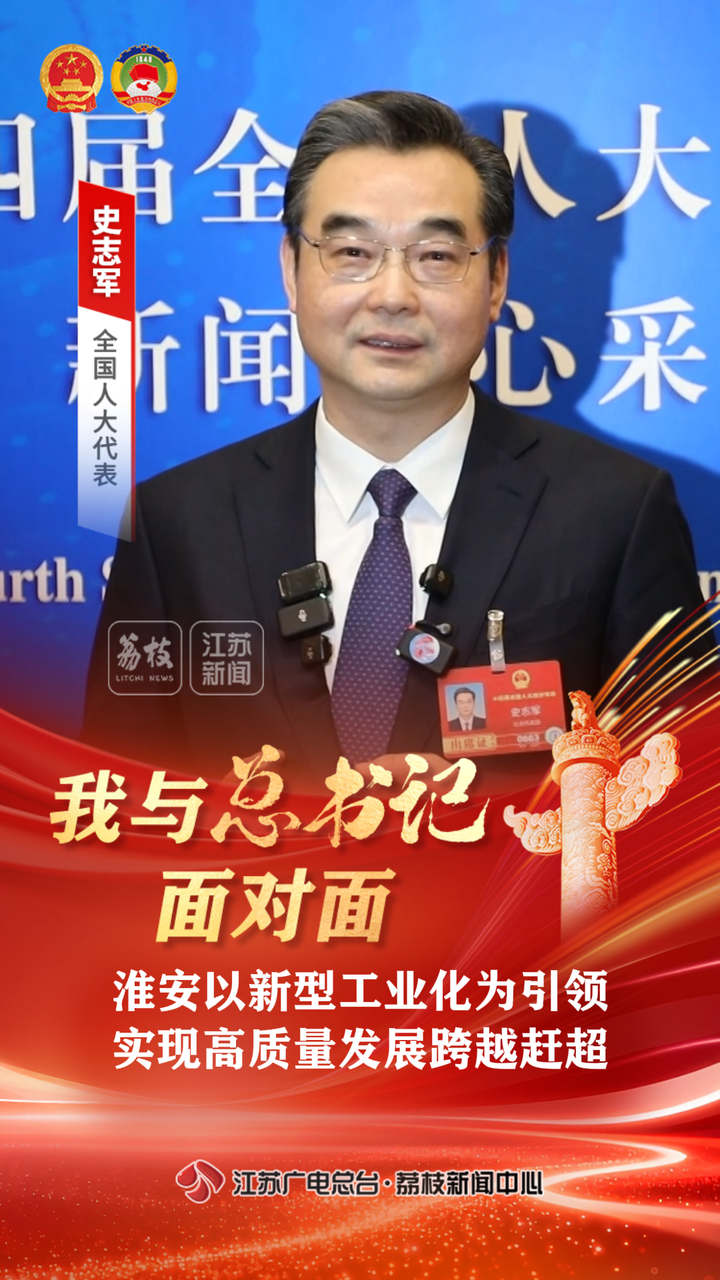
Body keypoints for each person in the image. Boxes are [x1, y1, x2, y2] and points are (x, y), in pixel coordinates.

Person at [83, 90, 707, 790]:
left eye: (436, 255)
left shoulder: (616, 512)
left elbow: (683, 798)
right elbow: (116, 799)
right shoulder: (175, 523)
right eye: (352, 251)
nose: (392, 295)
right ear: (291, 269)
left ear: (495, 279)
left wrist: (494, 820)